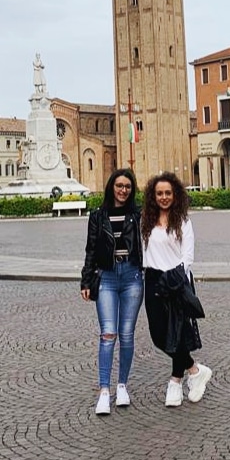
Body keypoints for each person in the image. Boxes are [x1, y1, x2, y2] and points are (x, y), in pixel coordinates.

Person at [141, 171, 212, 408]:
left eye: (168, 193)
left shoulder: (183, 221)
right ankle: (195, 370)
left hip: (176, 280)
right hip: (153, 279)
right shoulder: (146, 220)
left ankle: (175, 381)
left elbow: (187, 255)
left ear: (175, 195)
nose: (163, 197)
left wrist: (176, 276)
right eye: (159, 193)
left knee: (178, 333)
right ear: (153, 196)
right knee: (158, 334)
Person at [80, 168, 143, 416]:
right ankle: (104, 391)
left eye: (127, 186)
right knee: (108, 334)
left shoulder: (138, 215)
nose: (123, 190)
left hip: (132, 276)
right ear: (111, 187)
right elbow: (91, 249)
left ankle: (122, 386)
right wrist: (86, 281)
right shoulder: (98, 216)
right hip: (106, 276)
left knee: (126, 334)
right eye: (119, 186)